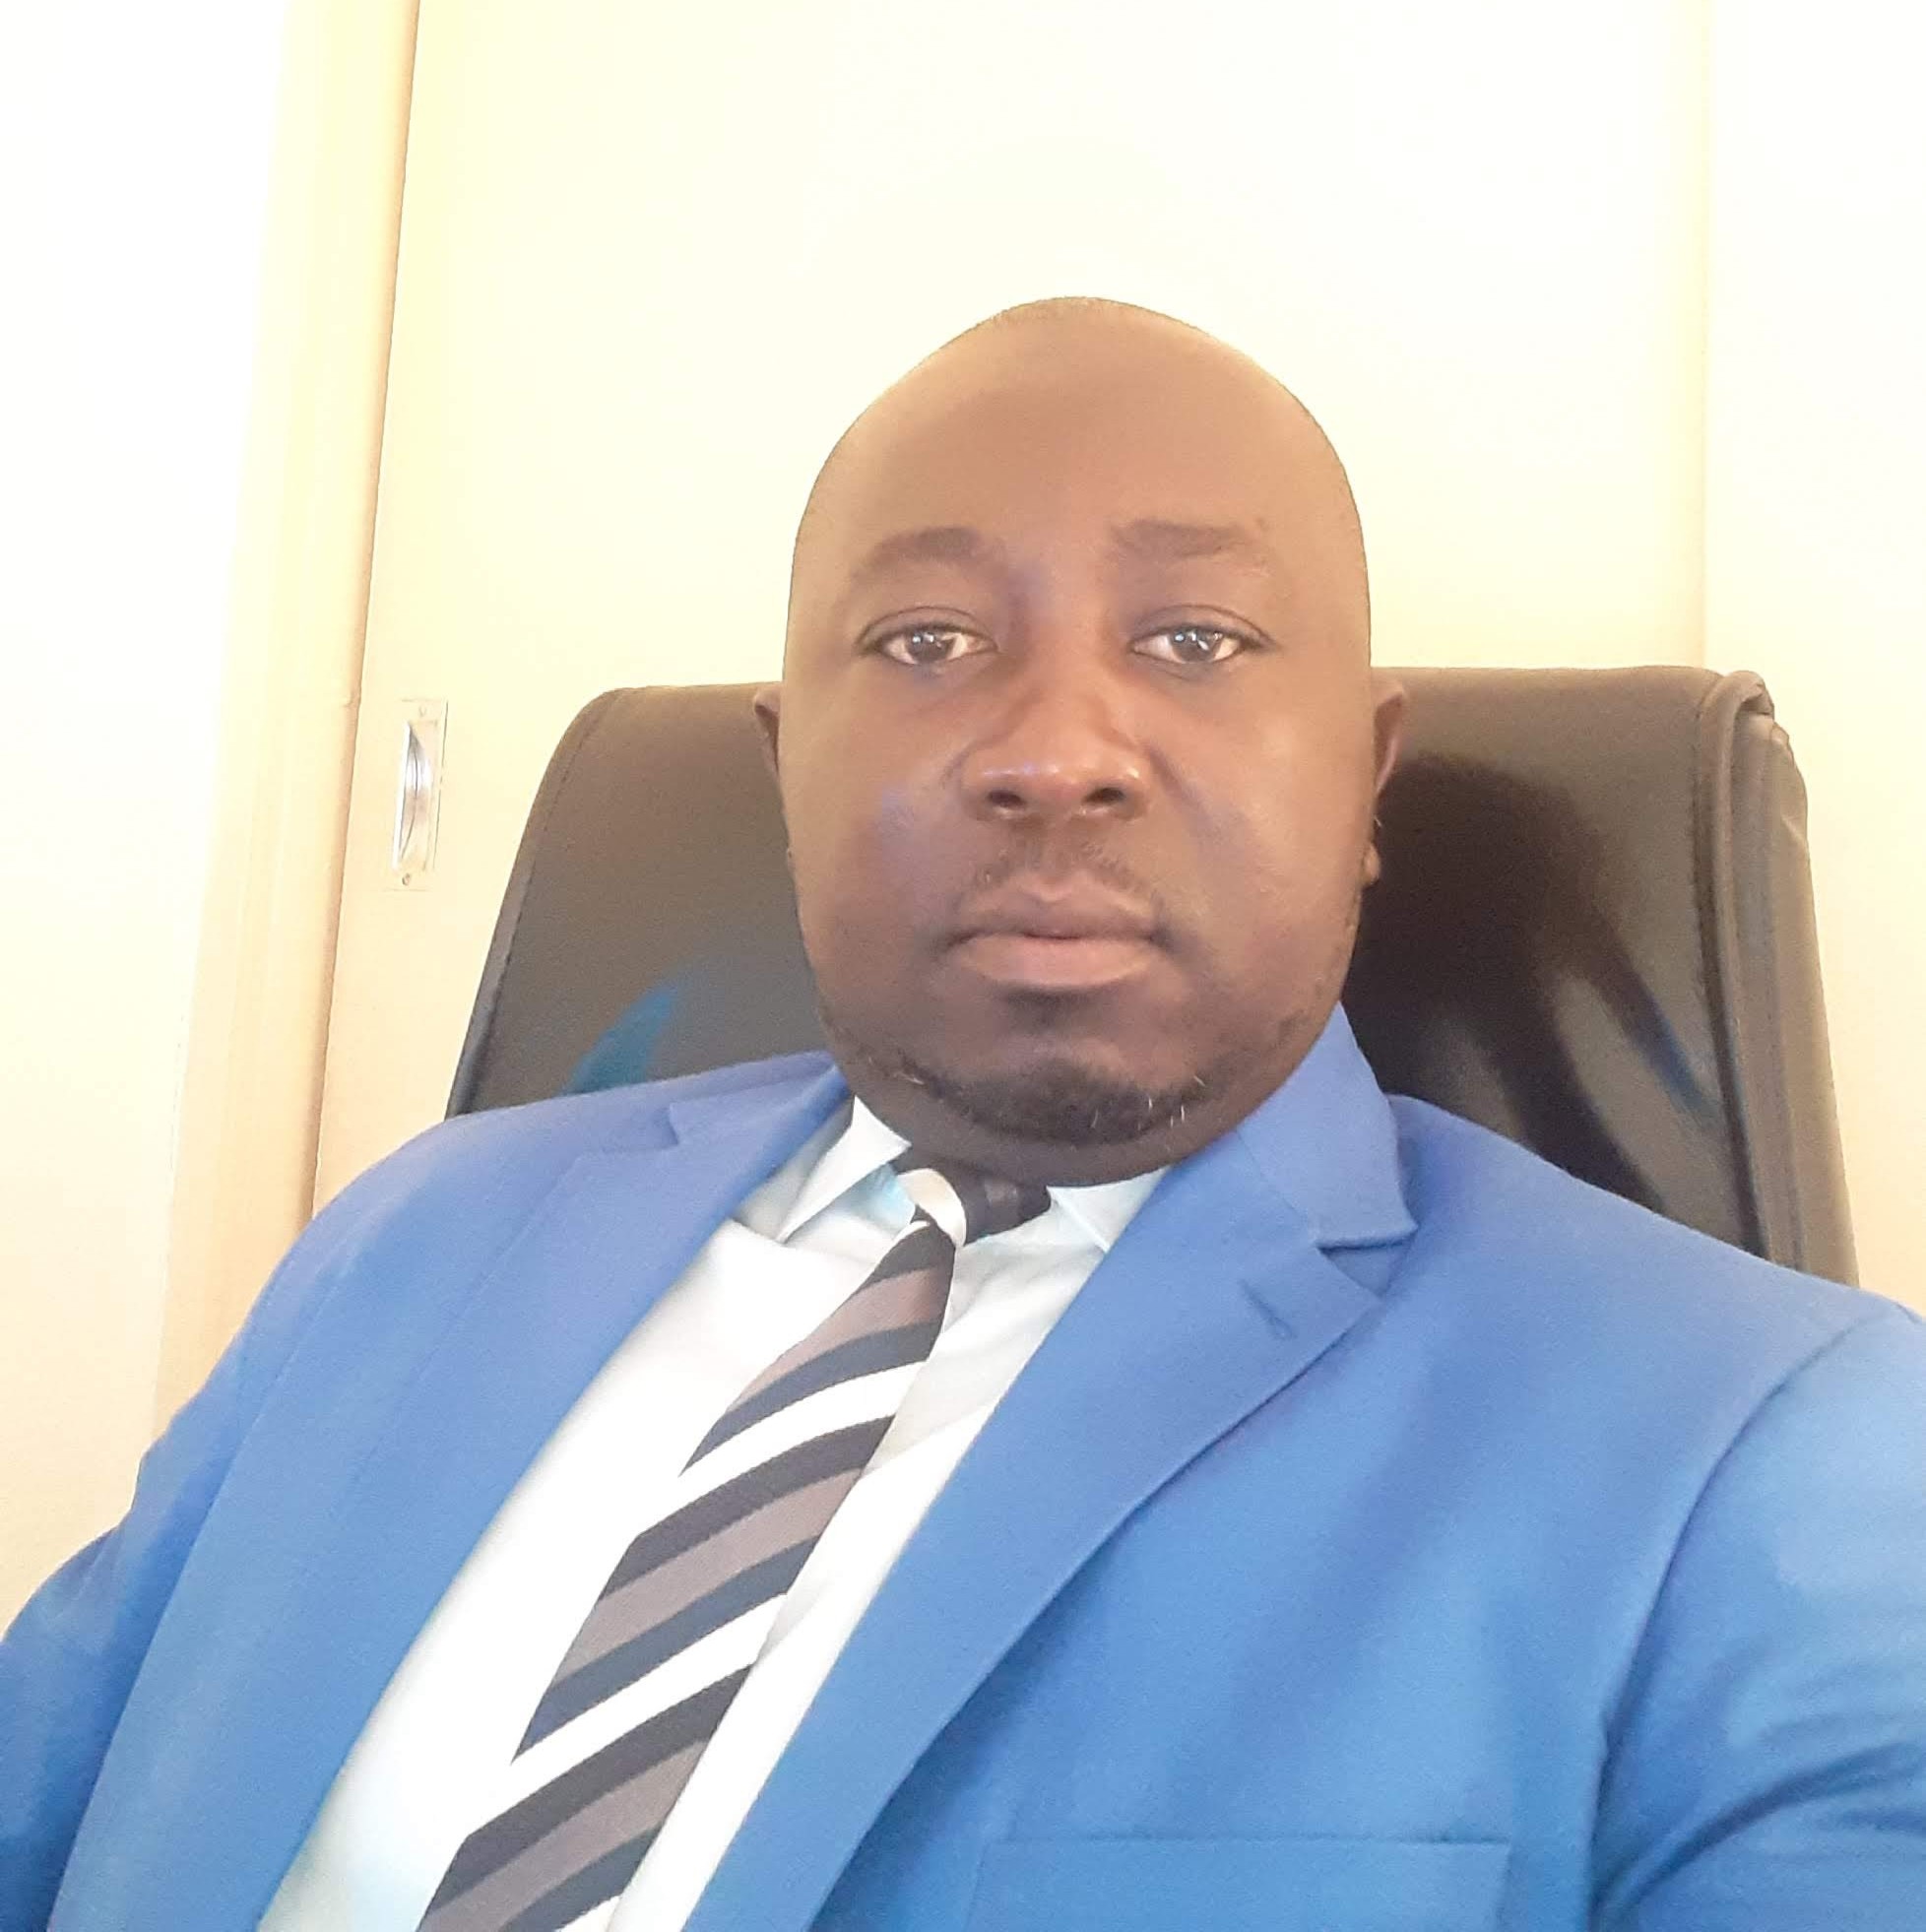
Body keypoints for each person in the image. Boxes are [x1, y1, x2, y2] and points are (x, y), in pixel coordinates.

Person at [5, 299, 1923, 1932]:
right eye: (926, 642)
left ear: (1364, 776)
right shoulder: (412, 1238)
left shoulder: (1766, 1443)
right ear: (786, 766)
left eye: (1194, 638)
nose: (1057, 753)